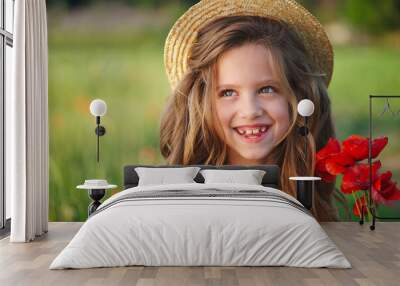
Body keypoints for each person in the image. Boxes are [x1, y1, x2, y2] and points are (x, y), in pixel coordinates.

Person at [159, 0, 345, 221]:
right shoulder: (180, 206)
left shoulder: (309, 196)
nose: (250, 111)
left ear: (297, 96)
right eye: (228, 92)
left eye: (267, 89)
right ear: (201, 103)